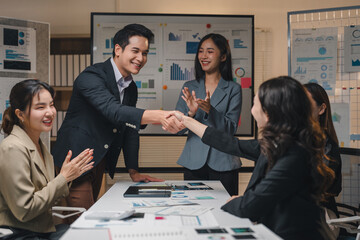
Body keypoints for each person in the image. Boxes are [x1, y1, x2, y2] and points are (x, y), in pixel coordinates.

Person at [171, 76, 335, 240]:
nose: (251, 111)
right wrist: (186, 120)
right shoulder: (277, 145)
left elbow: (250, 207)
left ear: (269, 112)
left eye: (255, 104)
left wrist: (234, 202)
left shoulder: (294, 155)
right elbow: (231, 144)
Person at [52, 24, 184, 211]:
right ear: (118, 50)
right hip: (74, 160)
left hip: (98, 160)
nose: (140, 58)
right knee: (80, 219)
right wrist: (159, 115)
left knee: (88, 215)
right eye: (135, 51)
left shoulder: (130, 87)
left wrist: (133, 171)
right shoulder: (92, 76)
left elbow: (129, 128)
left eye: (145, 53)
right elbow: (112, 110)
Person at [0, 79, 94, 239]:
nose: (50, 112)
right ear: (20, 114)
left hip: (42, 230)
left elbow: (47, 194)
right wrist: (64, 178)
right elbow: (25, 210)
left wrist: (68, 176)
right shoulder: (12, 148)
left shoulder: (40, 146)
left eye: (51, 105)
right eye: (40, 107)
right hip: (19, 234)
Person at [175, 33, 242, 196]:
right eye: (201, 51)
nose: (204, 56)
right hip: (193, 162)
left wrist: (210, 111)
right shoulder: (189, 86)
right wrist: (191, 113)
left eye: (210, 51)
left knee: (225, 214)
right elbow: (177, 129)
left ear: (223, 56)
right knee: (193, 208)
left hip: (224, 162)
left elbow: (230, 129)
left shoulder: (233, 89)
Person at [304, 83, 342, 217]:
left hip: (323, 217)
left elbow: (316, 187)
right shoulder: (300, 140)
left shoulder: (327, 146)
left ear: (321, 109)